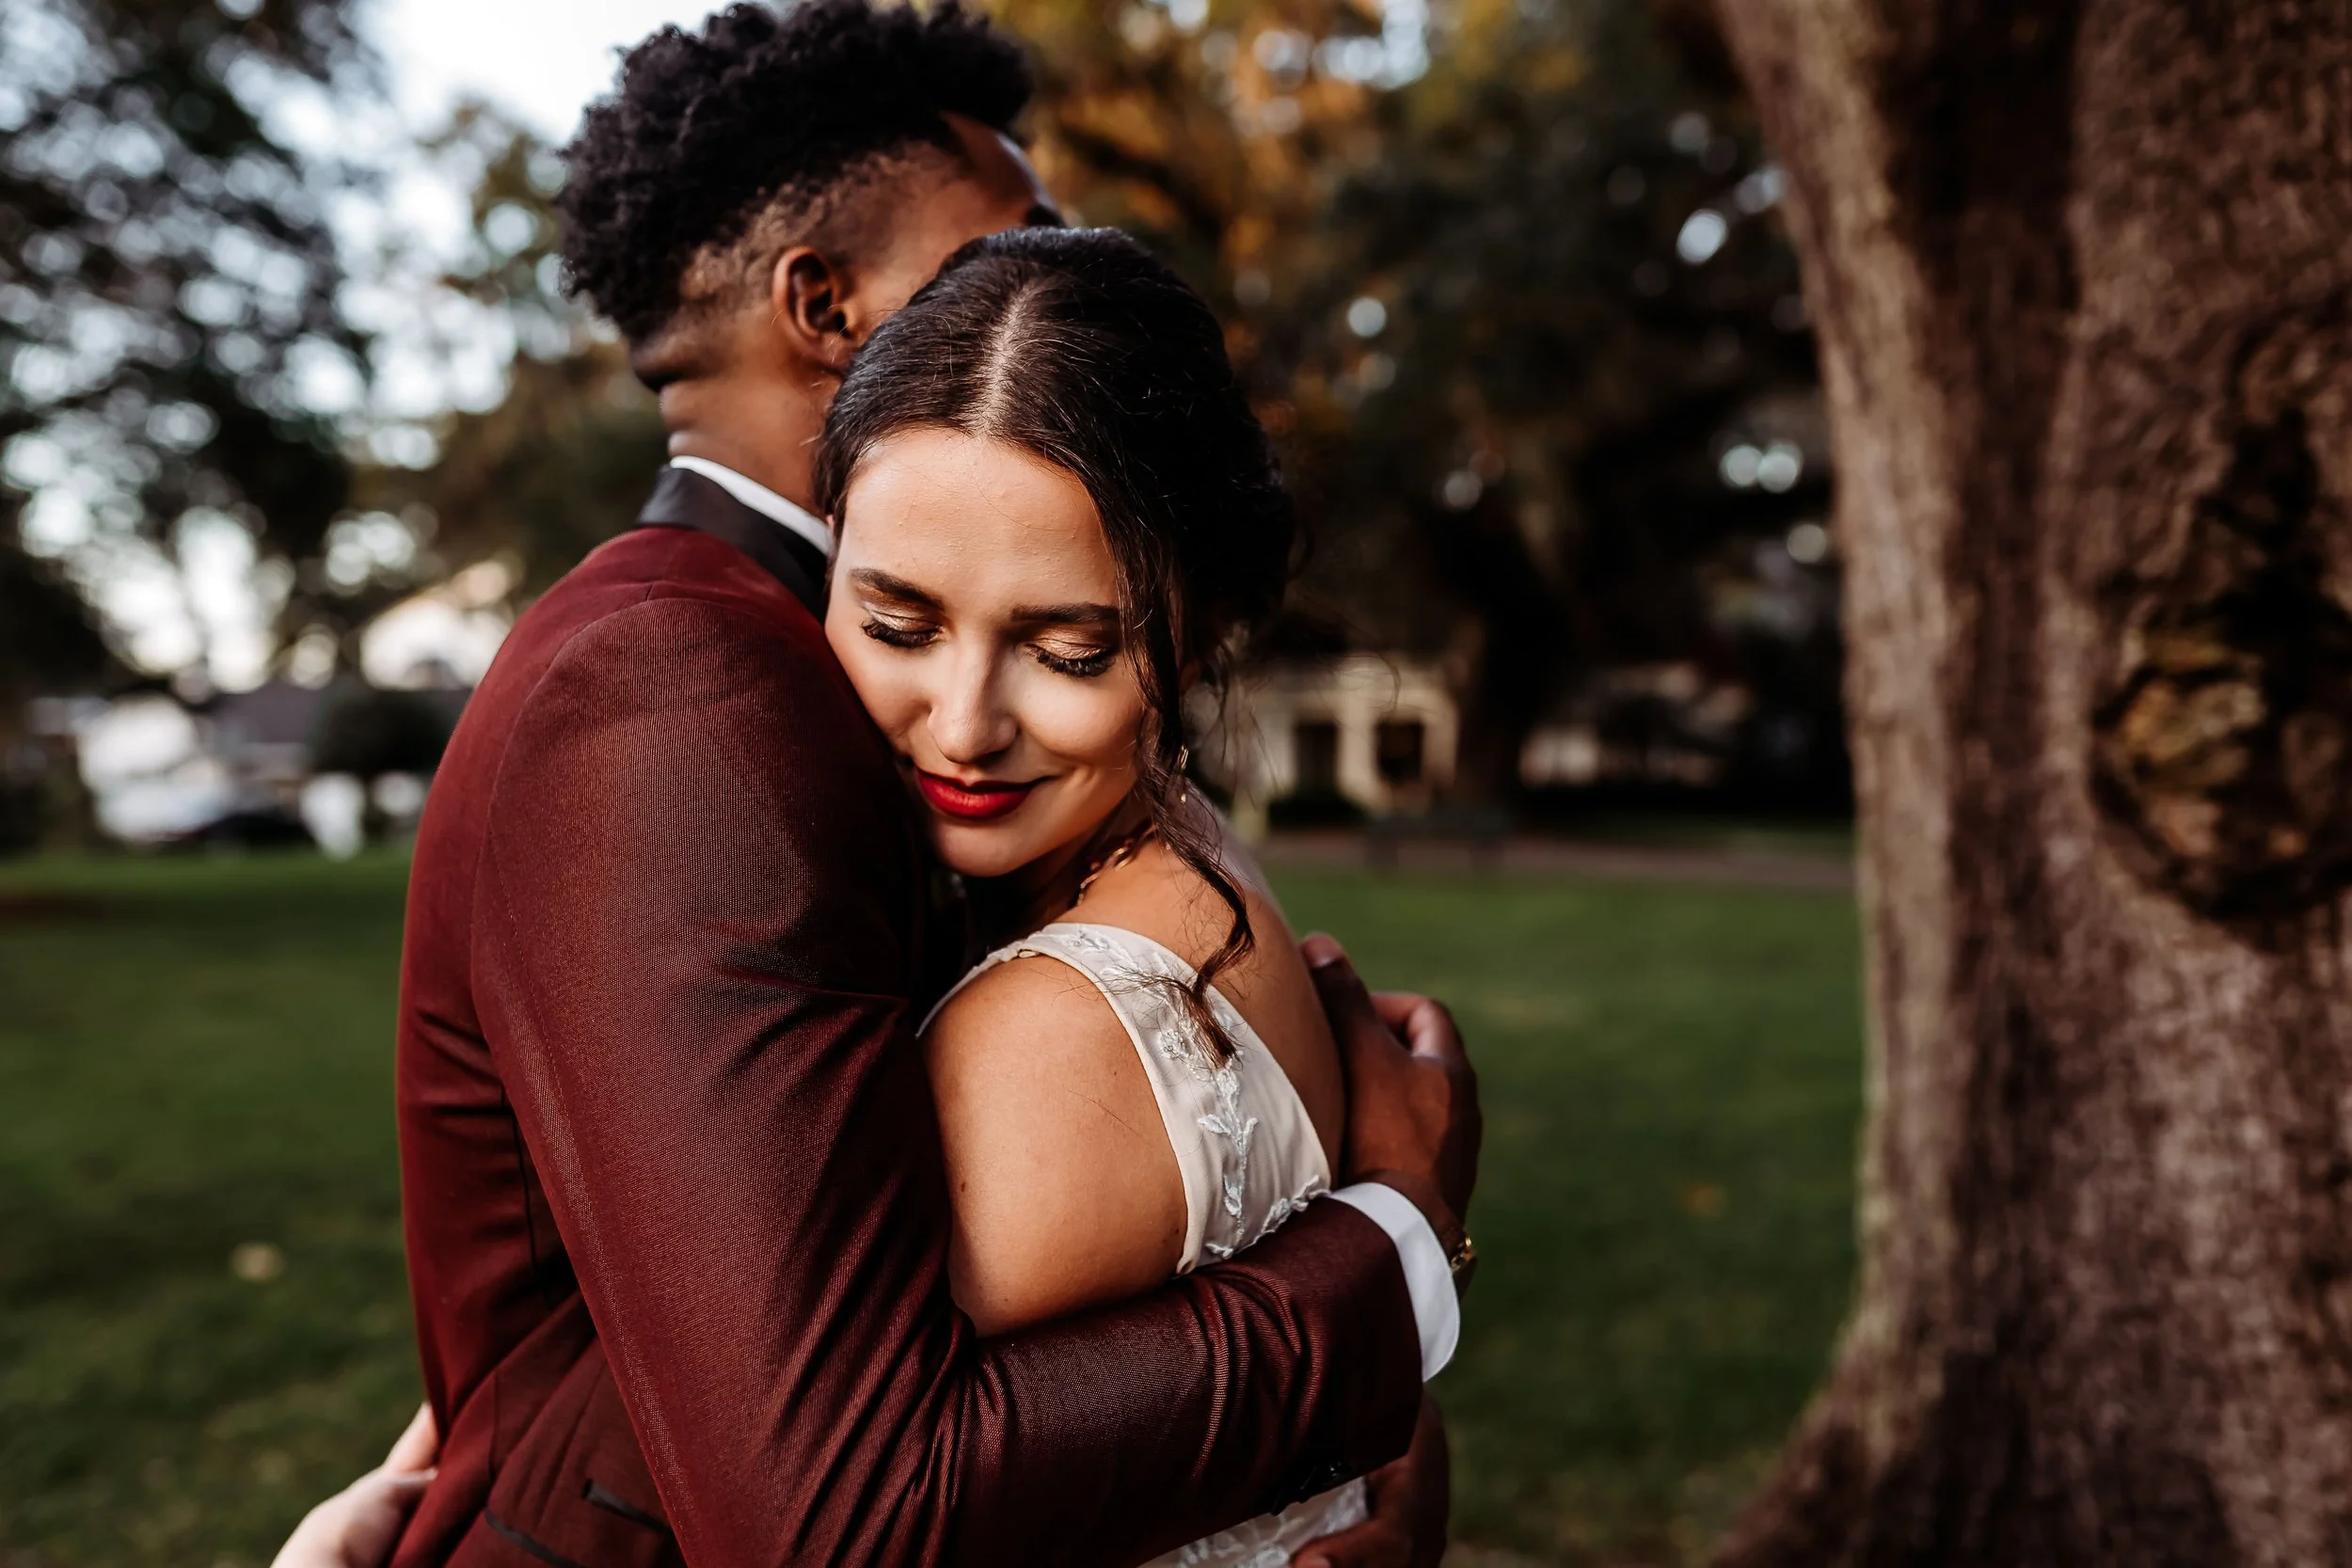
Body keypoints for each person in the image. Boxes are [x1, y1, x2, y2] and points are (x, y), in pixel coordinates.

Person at [368, 5, 1480, 1567]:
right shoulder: (679, 676)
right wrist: (1396, 1250)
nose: (1055, 300)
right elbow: (826, 1478)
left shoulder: (812, 662)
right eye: (1004, 256)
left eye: (1068, 645)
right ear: (827, 307)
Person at [815, 220, 1464, 1564]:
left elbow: (832, 1498)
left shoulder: (1054, 1037)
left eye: (1068, 647)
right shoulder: (1190, 848)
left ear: (1199, 631)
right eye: (899, 624)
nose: (964, 723)